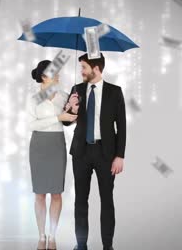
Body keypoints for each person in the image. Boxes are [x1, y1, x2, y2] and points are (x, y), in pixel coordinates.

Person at [62, 53, 127, 250]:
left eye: (84, 68)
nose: (81, 71)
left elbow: (122, 126)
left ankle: (108, 246)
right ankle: (81, 244)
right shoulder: (76, 90)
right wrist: (72, 108)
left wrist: (120, 156)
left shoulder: (115, 92)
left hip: (106, 154)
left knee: (107, 200)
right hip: (81, 153)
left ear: (96, 69)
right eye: (80, 67)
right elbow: (65, 121)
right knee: (81, 200)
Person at [27, 60, 78, 250]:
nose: (59, 75)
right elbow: (31, 125)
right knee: (40, 193)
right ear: (44, 76)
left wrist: (72, 107)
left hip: (57, 144)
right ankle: (41, 236)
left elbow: (69, 121)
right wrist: (57, 117)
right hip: (39, 145)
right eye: (54, 72)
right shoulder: (33, 99)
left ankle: (53, 236)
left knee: (56, 193)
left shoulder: (63, 95)